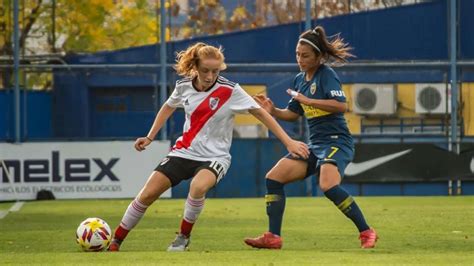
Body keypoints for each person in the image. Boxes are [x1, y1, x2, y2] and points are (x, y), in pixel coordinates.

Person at [107, 42, 309, 252]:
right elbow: (167, 107)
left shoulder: (230, 90)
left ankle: (183, 237)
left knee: (197, 187)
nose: (210, 75)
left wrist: (289, 142)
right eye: (205, 70)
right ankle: (115, 241)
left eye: (215, 71)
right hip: (183, 152)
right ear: (195, 66)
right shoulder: (183, 86)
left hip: (215, 158)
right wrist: (150, 137)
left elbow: (261, 114)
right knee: (147, 194)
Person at [244, 26, 378, 249]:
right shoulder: (299, 79)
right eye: (297, 54)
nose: (300, 59)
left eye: (305, 55)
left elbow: (340, 106)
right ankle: (273, 237)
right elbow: (293, 114)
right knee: (273, 178)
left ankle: (366, 231)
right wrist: (273, 110)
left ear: (319, 56)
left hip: (337, 142)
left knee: (327, 185)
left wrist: (308, 101)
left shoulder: (326, 75)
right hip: (315, 146)